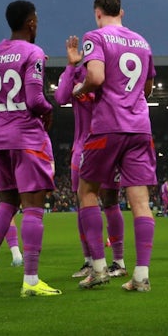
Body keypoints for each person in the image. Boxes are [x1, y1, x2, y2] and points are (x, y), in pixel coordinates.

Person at [70, 0, 157, 292]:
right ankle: (141, 275)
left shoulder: (95, 36)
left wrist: (77, 90)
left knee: (87, 191)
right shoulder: (143, 42)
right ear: (122, 11)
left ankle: (98, 269)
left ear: (97, 13)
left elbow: (95, 76)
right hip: (140, 127)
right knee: (140, 202)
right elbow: (148, 88)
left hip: (108, 126)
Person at [0, 0, 61, 297]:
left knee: (6, 203)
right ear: (31, 23)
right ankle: (31, 279)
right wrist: (50, 109)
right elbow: (36, 100)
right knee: (33, 208)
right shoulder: (34, 52)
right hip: (25, 137)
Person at [54, 37, 127, 280]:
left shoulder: (107, 76)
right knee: (82, 203)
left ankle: (117, 261)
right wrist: (70, 65)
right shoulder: (77, 76)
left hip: (106, 143)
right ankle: (90, 261)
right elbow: (61, 98)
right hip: (82, 148)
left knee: (110, 201)